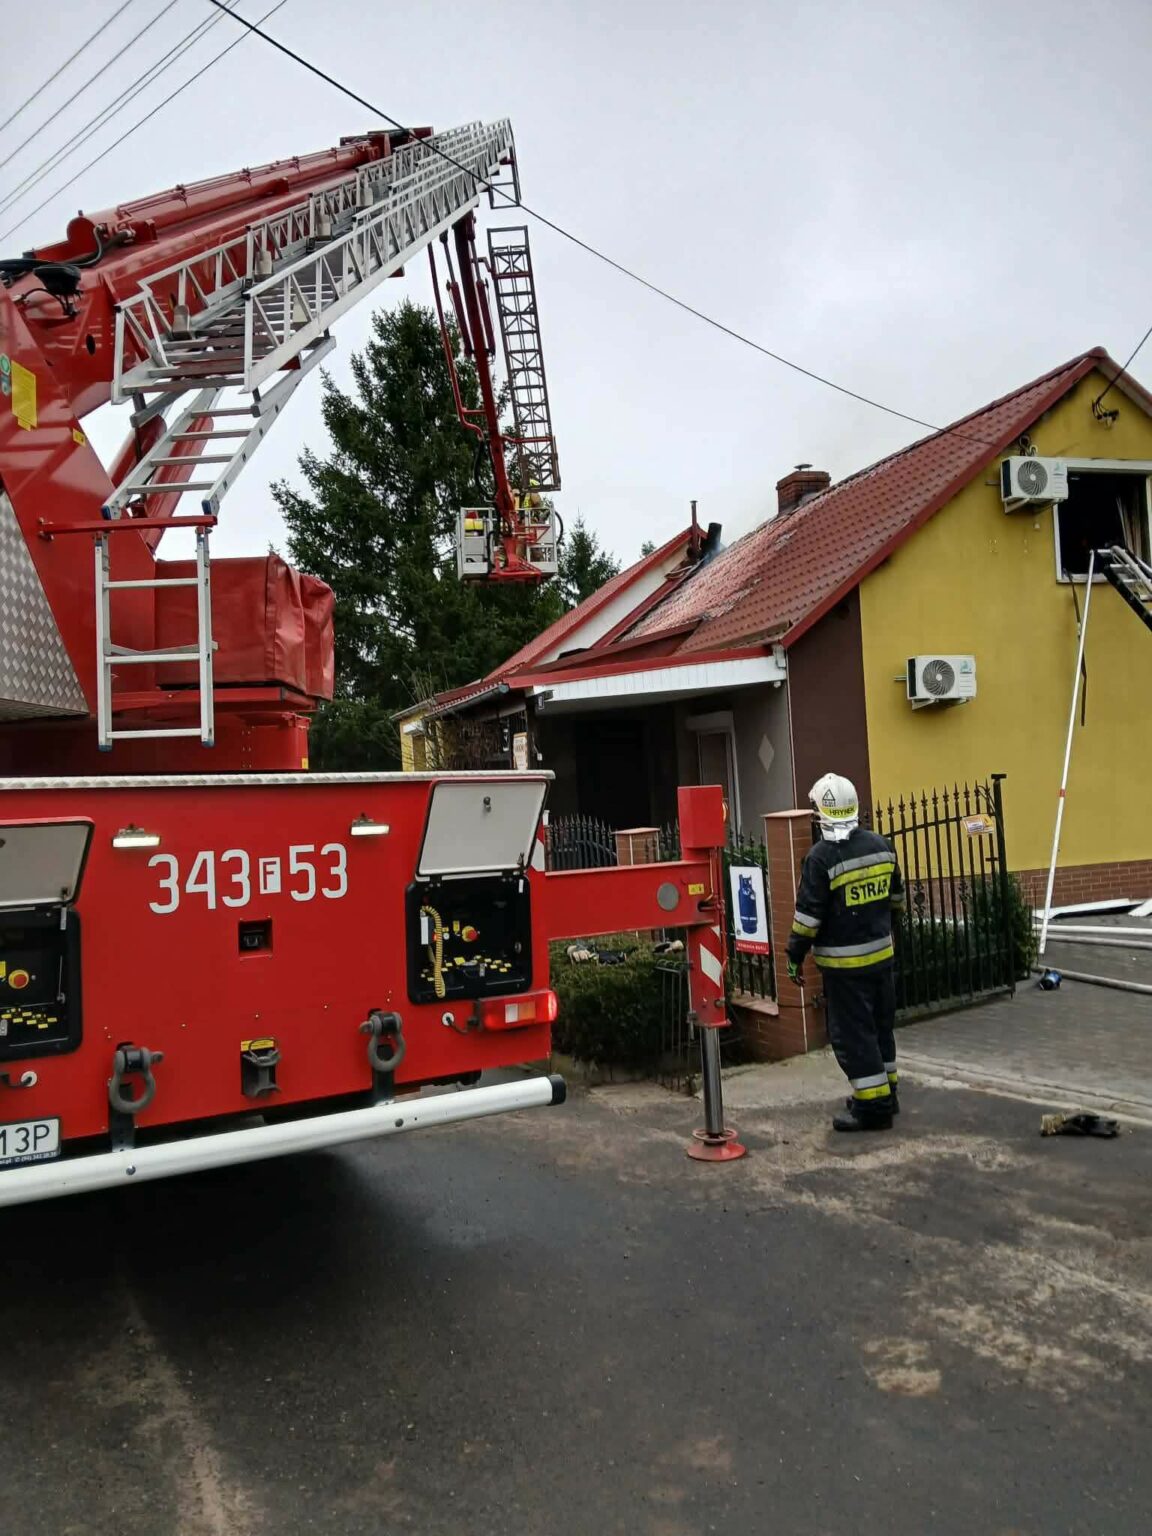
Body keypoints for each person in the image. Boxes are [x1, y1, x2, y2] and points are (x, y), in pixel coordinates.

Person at [785, 772, 906, 1133]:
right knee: (881, 1029)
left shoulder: (820, 858)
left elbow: (808, 919)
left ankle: (873, 1109)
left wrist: (794, 955)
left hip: (844, 968)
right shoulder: (882, 845)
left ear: (821, 814)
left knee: (854, 1037)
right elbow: (897, 901)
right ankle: (887, 1095)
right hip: (882, 960)